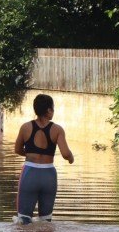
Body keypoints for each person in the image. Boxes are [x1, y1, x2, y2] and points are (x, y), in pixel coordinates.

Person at [13, 94, 74, 224]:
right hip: (49, 176)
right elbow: (65, 153)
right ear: (49, 110)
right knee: (46, 223)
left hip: (29, 174)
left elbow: (17, 149)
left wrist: (30, 155)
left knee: (23, 221)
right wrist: (71, 158)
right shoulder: (57, 130)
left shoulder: (25, 127)